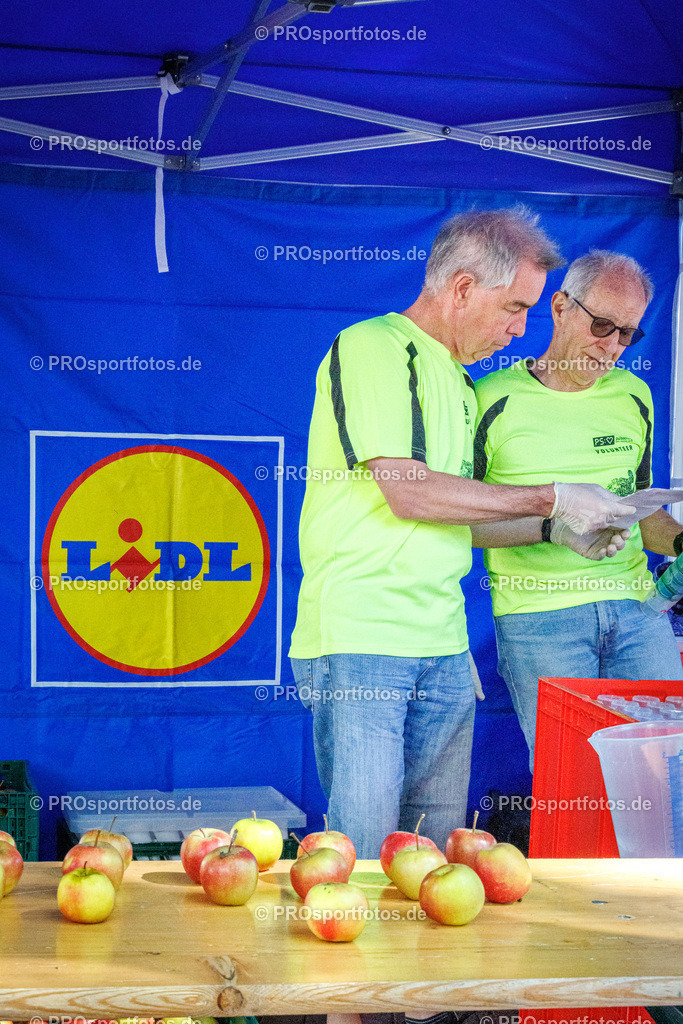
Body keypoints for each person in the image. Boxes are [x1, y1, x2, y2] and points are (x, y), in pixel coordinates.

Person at [288, 209, 632, 860]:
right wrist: (554, 495)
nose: (521, 328)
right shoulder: (372, 345)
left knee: (429, 863)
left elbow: (459, 517)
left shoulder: (462, 384)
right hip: (363, 639)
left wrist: (556, 530)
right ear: (464, 288)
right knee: (364, 859)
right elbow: (408, 490)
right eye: (515, 307)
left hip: (444, 646)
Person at [473, 250, 683, 772]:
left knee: (669, 774)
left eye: (627, 334)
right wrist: (554, 526)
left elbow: (643, 510)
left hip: (639, 610)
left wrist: (680, 543)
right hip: (540, 617)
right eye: (602, 325)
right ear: (560, 306)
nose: (612, 347)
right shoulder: (489, 399)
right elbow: (463, 522)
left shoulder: (634, 395)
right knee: (572, 778)